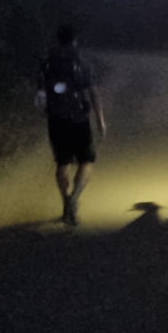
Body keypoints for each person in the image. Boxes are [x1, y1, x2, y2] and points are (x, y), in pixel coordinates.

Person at [36, 24, 106, 226]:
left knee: (62, 163)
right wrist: (100, 120)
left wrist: (46, 110)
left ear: (58, 39)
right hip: (79, 119)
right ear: (75, 40)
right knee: (87, 161)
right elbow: (93, 93)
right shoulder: (82, 63)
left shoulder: (47, 62)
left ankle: (65, 200)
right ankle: (74, 198)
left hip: (56, 119)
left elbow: (41, 93)